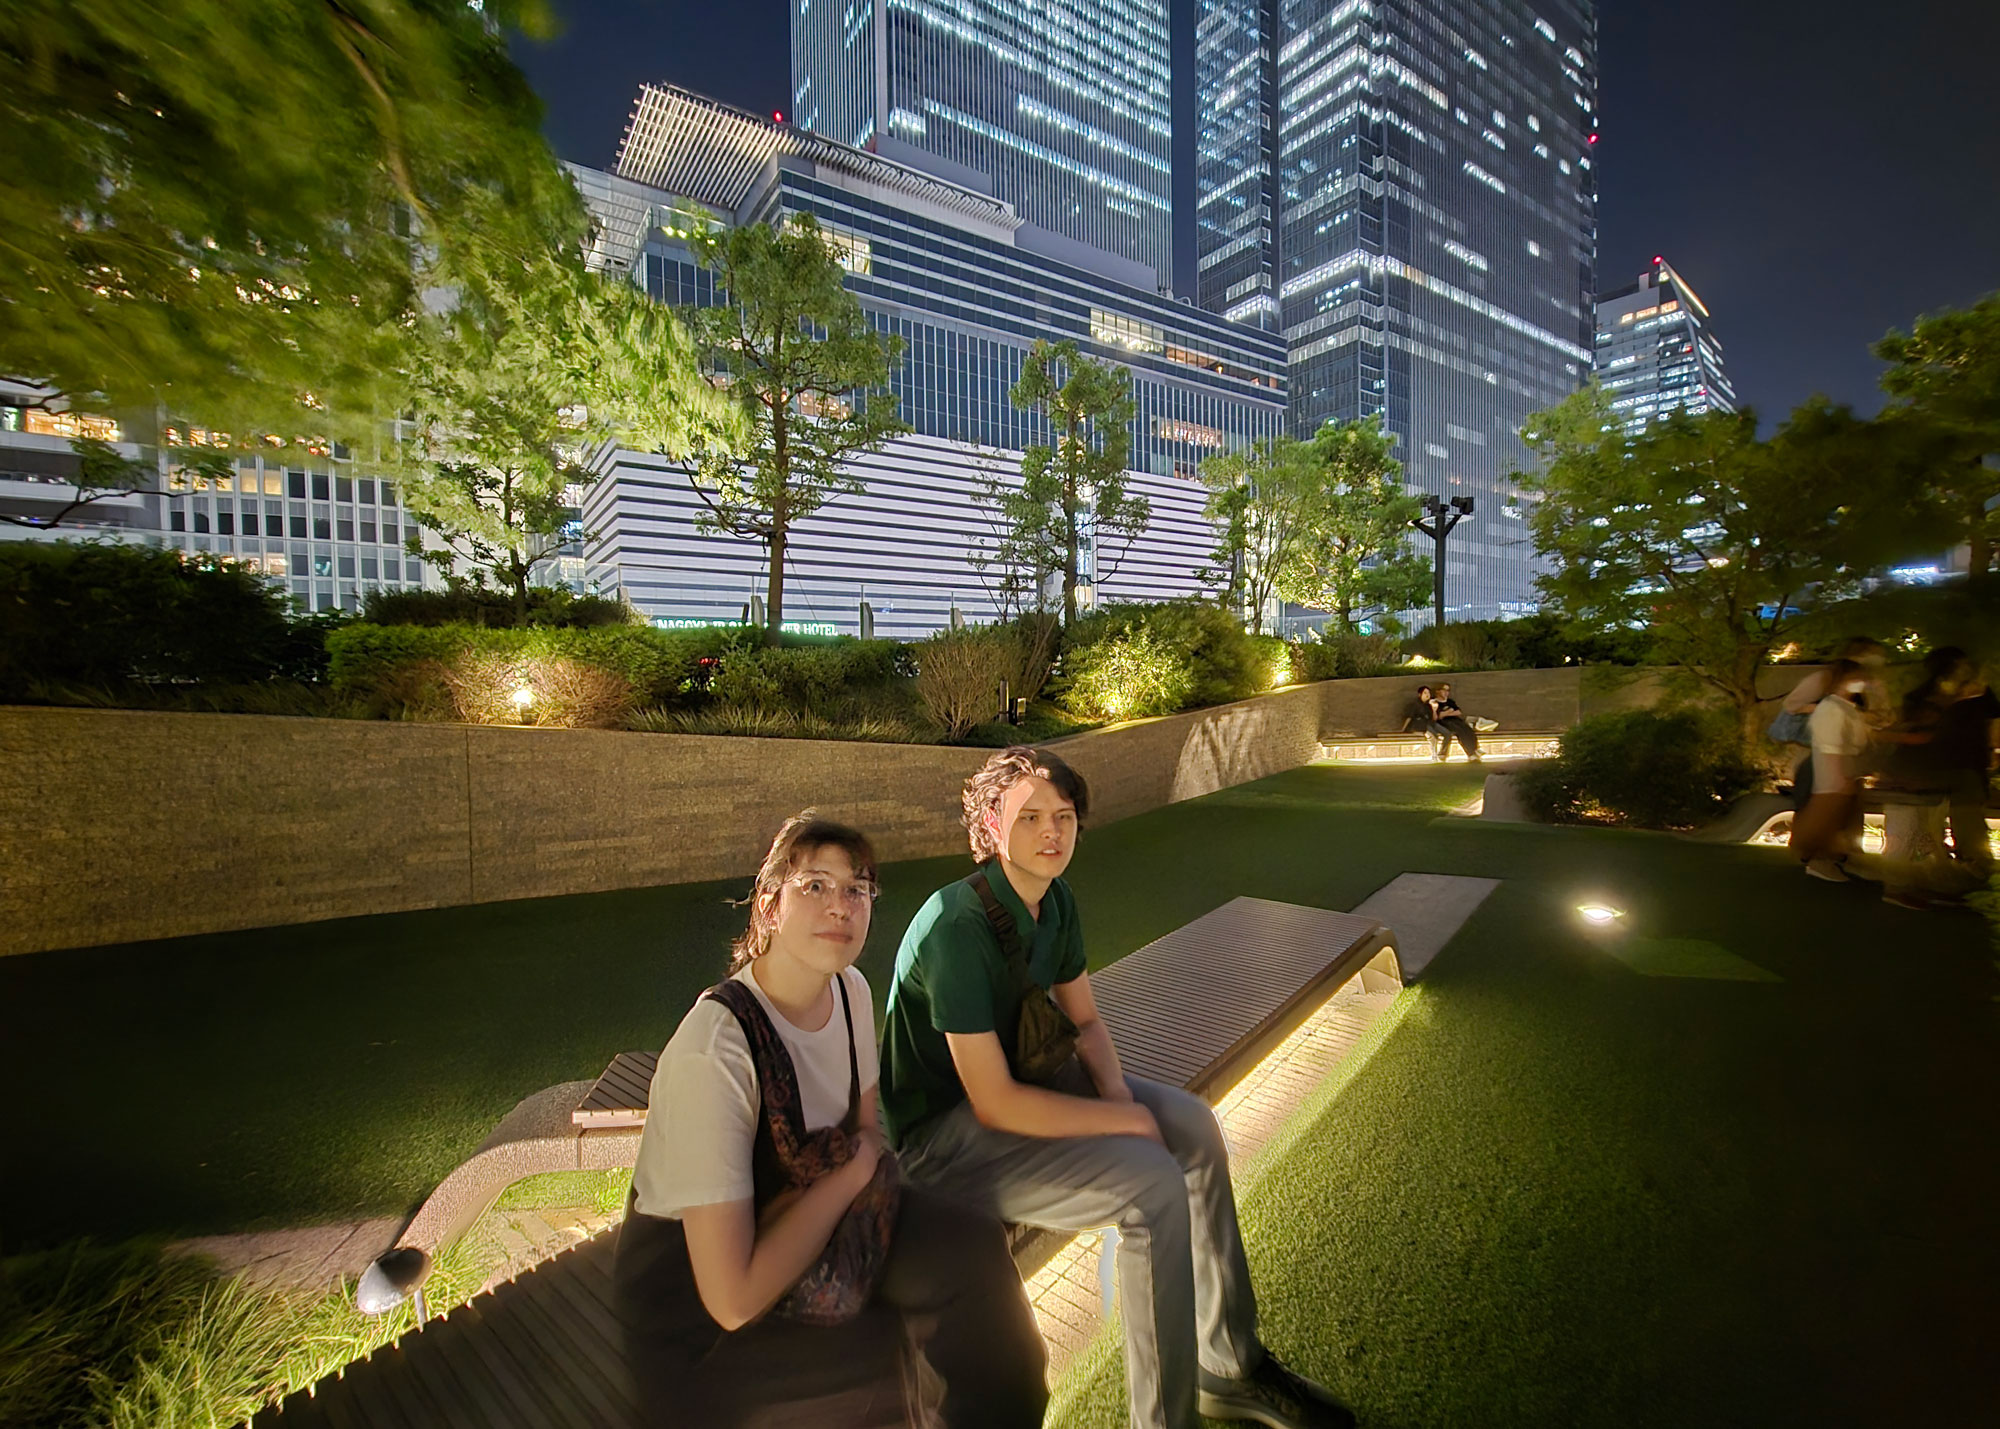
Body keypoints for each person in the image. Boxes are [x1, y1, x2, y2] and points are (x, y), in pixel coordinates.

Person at [879, 747, 1353, 1429]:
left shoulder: (1055, 900)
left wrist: (1121, 1101)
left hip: (1025, 1088)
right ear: (990, 822)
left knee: (1192, 1125)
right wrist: (1123, 1126)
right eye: (1031, 815)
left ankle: (1230, 1363)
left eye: (1064, 816)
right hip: (943, 1141)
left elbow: (1087, 1020)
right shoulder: (957, 926)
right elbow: (993, 1102)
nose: (1052, 831)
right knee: (1152, 1184)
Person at [614, 811, 1047, 1429]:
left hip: (820, 1216)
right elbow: (733, 1299)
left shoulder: (850, 991)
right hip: (701, 1311)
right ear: (768, 907)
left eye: (856, 888)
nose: (840, 905)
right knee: (869, 1366)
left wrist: (853, 1174)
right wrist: (850, 1177)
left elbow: (865, 1130)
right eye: (813, 885)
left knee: (974, 1249)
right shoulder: (716, 1051)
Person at [1777, 637, 1890, 806]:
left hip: (1847, 764)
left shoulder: (1870, 685)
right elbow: (1792, 705)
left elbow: (1883, 716)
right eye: (1871, 654)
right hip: (1826, 762)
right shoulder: (1826, 685)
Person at [1789, 660, 1874, 882]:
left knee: (1836, 821)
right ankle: (1819, 861)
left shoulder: (1846, 708)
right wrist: (1840, 776)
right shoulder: (1832, 708)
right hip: (1834, 775)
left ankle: (1831, 861)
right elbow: (1831, 746)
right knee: (1824, 821)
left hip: (1843, 774)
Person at [1430, 682, 1481, 762]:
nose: (1446, 693)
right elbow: (1440, 716)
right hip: (1444, 723)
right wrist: (1450, 710)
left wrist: (1447, 713)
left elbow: (1458, 712)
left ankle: (1476, 749)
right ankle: (1471, 753)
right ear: (1438, 691)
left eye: (1448, 690)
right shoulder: (1434, 702)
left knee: (1468, 729)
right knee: (1459, 731)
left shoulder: (1450, 701)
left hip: (1456, 720)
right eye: (1444, 690)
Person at [1400, 684, 1444, 758]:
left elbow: (1433, 719)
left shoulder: (1429, 705)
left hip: (1427, 726)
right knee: (1432, 735)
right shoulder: (1415, 705)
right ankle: (1434, 753)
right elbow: (1409, 717)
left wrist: (1434, 709)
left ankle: (1435, 752)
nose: (1427, 695)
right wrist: (1404, 728)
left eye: (1428, 693)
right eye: (1425, 693)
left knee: (1433, 735)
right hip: (1417, 726)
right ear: (1420, 694)